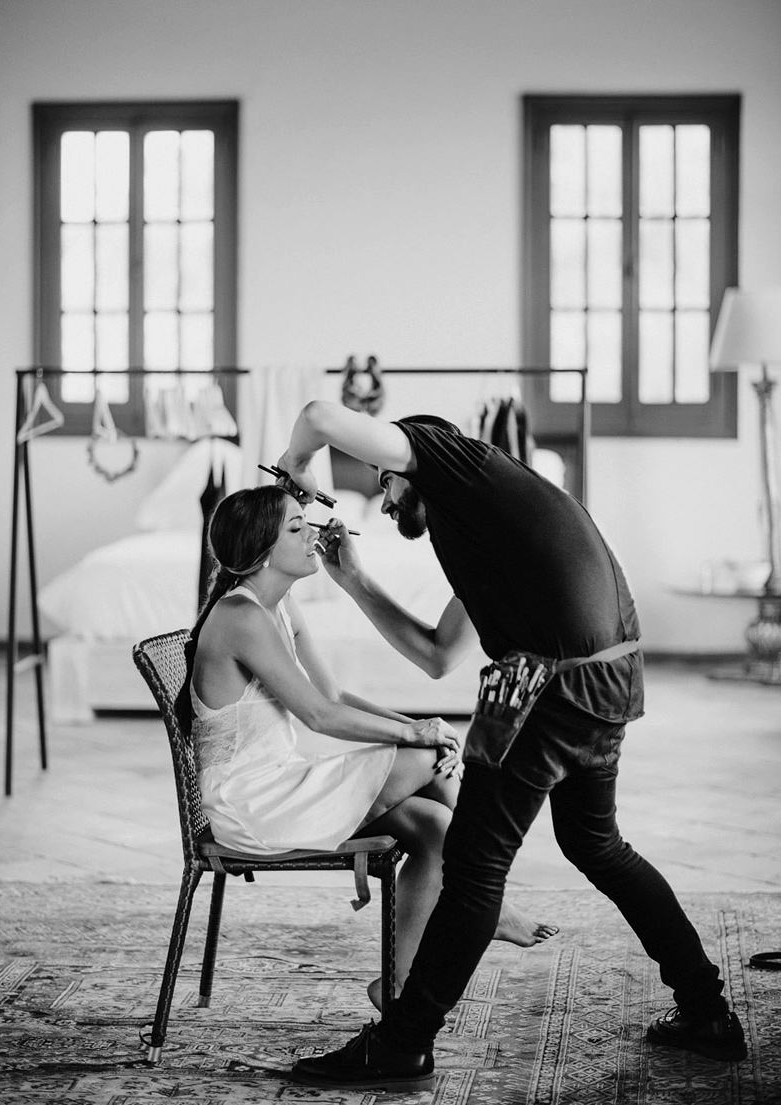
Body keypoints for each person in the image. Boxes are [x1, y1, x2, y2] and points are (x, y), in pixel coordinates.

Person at [274, 402, 747, 1091]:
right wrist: (355, 582)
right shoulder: (489, 528)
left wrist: (295, 468)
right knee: (597, 845)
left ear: (415, 458)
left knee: (473, 866)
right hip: (604, 683)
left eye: (387, 479)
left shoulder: (462, 466)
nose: (386, 498)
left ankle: (403, 1042)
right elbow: (437, 655)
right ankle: (707, 1011)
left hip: (552, 691)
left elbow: (320, 414)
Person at [184, 485, 558, 1012]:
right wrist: (417, 737)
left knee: (436, 825)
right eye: (296, 527)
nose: (313, 534)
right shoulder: (240, 617)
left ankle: (398, 985)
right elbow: (319, 716)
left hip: (284, 783)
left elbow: (334, 695)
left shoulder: (278, 605)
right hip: (252, 805)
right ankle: (486, 900)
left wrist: (416, 725)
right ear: (261, 551)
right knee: (431, 759)